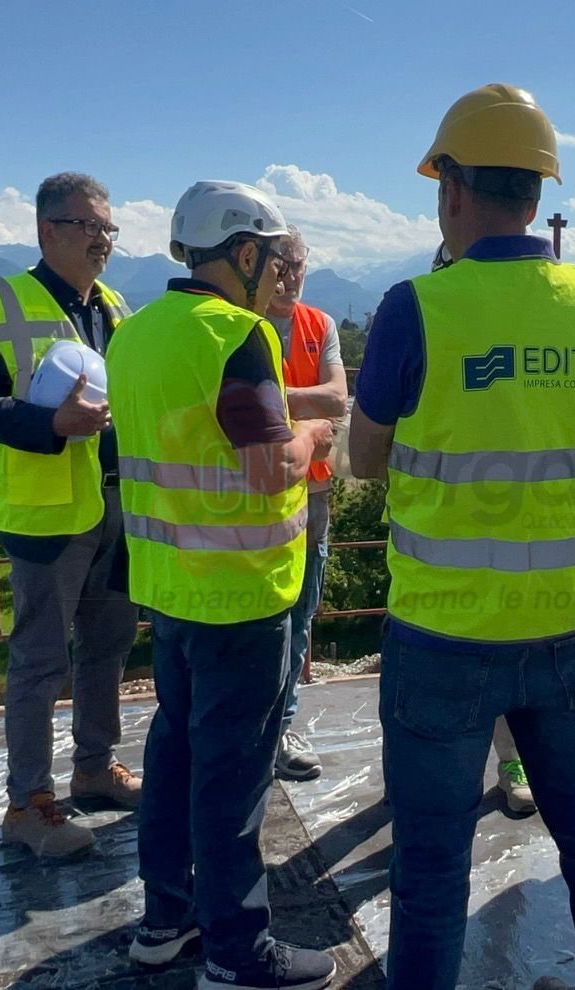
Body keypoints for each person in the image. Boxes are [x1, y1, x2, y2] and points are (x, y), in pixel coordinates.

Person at [348, 84, 575, 990]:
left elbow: (365, 458)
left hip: (445, 630)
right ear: (536, 193)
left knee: (433, 863)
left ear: (451, 191)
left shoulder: (417, 306)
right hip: (568, 624)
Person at [110, 180, 337, 989]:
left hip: (168, 585)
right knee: (233, 777)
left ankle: (165, 920)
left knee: (174, 754)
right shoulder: (239, 336)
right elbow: (267, 467)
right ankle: (239, 952)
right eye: (272, 260)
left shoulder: (135, 334)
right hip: (241, 592)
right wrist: (314, 432)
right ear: (243, 253)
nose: (279, 275)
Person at [0, 172, 141, 859]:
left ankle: (94, 768)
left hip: (113, 503)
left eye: (107, 227)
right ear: (46, 230)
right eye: (88, 225)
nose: (102, 240)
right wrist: (51, 424)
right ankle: (28, 805)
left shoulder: (114, 306)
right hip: (43, 513)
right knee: (40, 660)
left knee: (109, 644)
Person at [430, 241, 537, 816]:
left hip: (508, 534)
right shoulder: (428, 329)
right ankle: (419, 772)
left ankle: (511, 762)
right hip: (438, 544)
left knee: (505, 659)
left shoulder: (519, 338)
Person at [265, 225, 348, 782]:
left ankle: (281, 727)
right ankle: (260, 730)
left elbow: (338, 398)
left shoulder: (320, 325)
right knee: (262, 617)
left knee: (300, 615)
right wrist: (307, 404)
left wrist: (269, 396)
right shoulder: (241, 322)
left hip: (313, 490)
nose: (291, 277)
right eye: (282, 266)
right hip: (261, 489)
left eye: (299, 266)